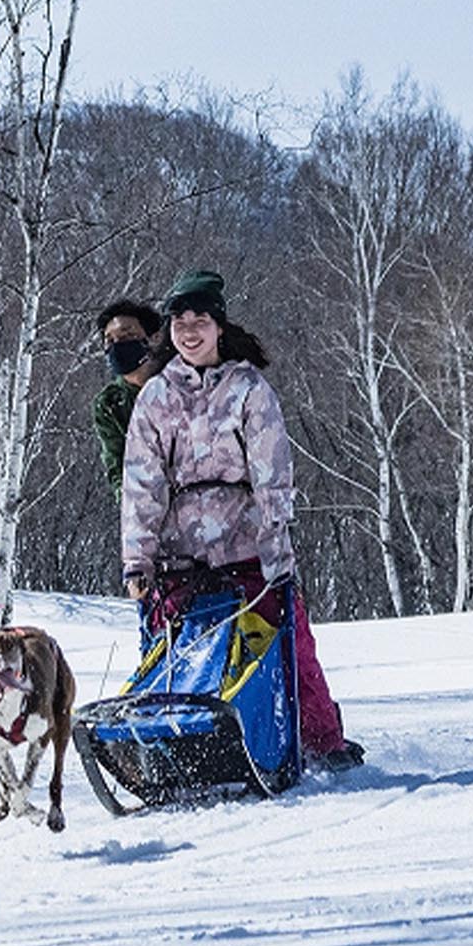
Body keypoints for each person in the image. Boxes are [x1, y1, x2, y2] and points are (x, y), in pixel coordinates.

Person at [119, 269, 365, 772]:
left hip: (248, 547)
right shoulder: (156, 399)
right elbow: (142, 484)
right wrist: (136, 560)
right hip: (179, 556)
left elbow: (273, 473)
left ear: (218, 327)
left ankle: (322, 739)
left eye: (200, 320)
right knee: (174, 656)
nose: (189, 331)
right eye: (179, 321)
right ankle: (166, 748)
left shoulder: (249, 388)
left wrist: (278, 551)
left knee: (287, 641)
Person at [91, 298, 170, 495]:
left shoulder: (181, 382)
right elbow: (117, 465)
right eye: (109, 340)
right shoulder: (109, 404)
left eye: (127, 336)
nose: (117, 346)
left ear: (154, 338)